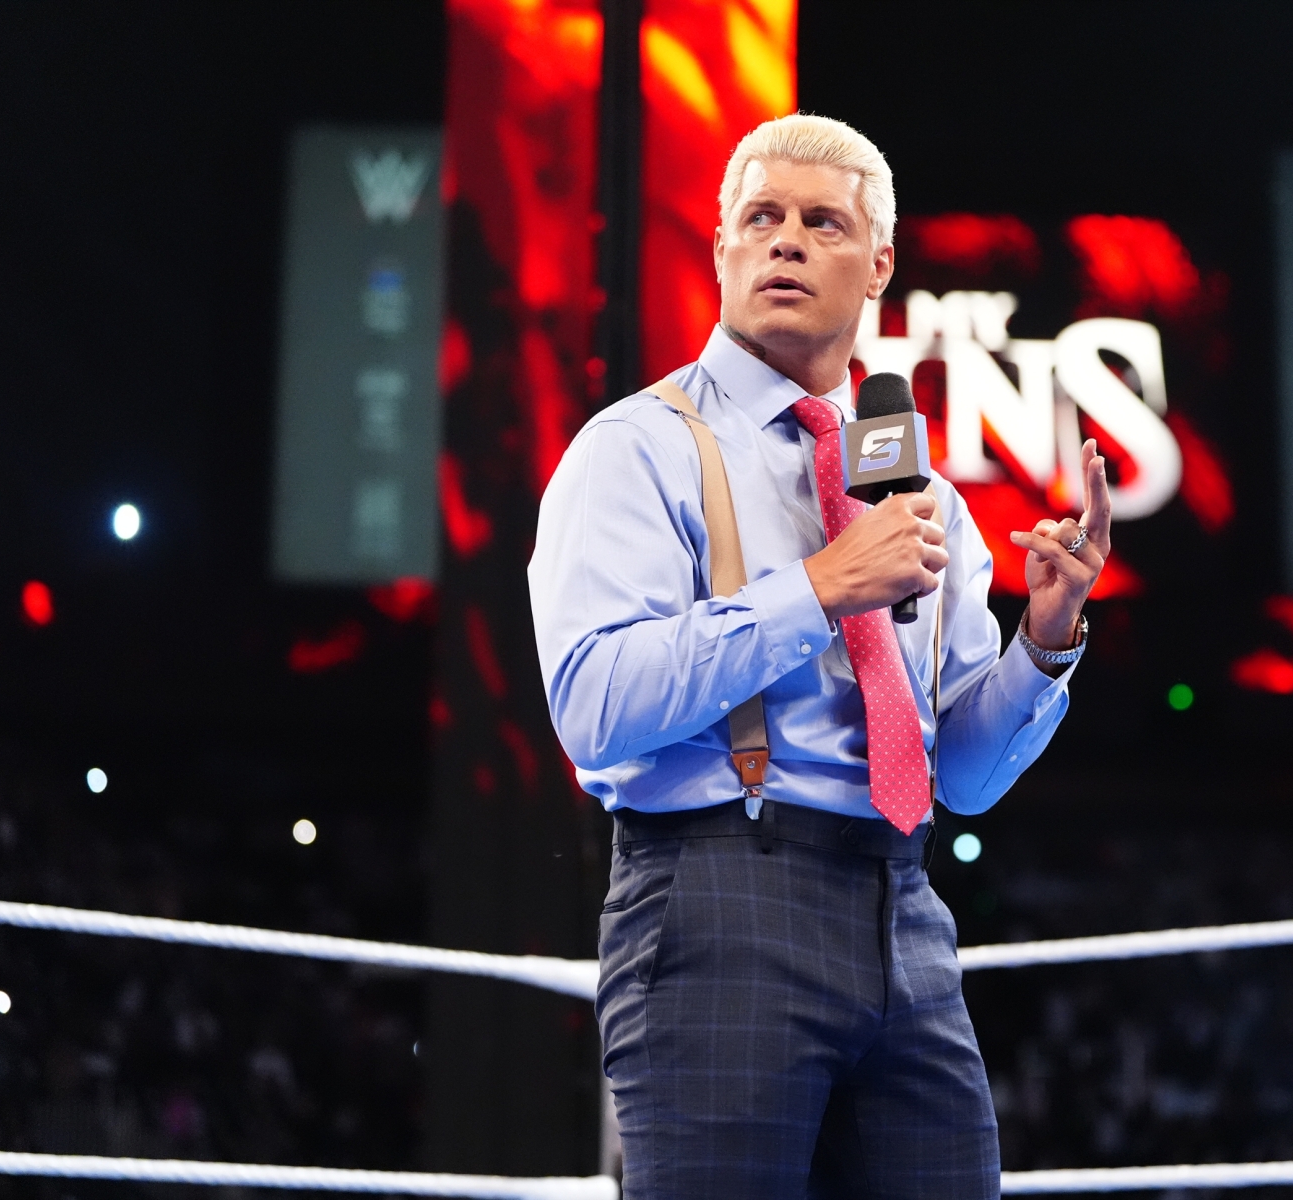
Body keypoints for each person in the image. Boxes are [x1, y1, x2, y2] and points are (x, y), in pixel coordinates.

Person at [527, 113, 1112, 1199]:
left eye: (821, 222)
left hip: (903, 904)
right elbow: (594, 708)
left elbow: (963, 777)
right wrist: (819, 589)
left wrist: (1045, 639)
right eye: (761, 218)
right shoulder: (636, 450)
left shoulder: (923, 498)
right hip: (715, 888)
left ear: (878, 264)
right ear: (722, 250)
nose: (785, 240)